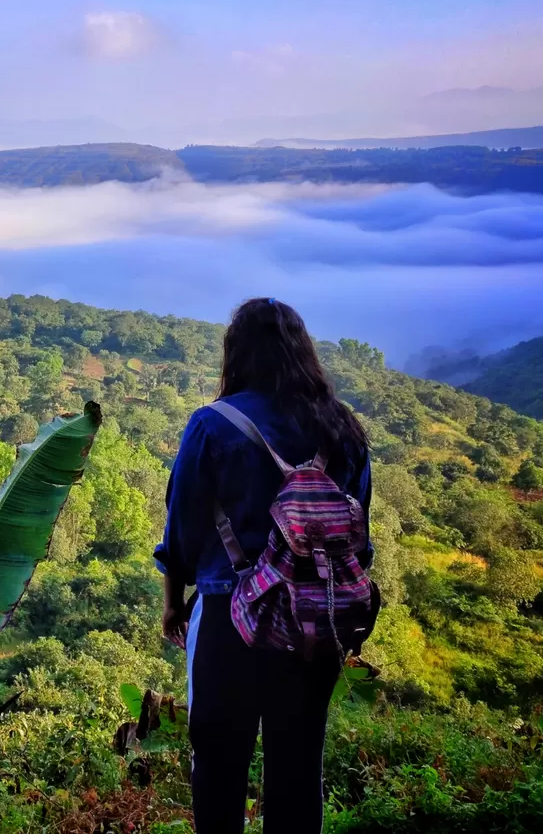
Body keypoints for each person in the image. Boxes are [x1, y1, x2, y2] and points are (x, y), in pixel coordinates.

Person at [154, 297, 372, 834]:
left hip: (230, 614)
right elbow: (358, 536)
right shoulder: (341, 430)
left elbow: (181, 528)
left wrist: (173, 603)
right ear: (303, 353)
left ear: (236, 355)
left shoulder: (212, 424)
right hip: (315, 622)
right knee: (297, 770)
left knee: (219, 766)